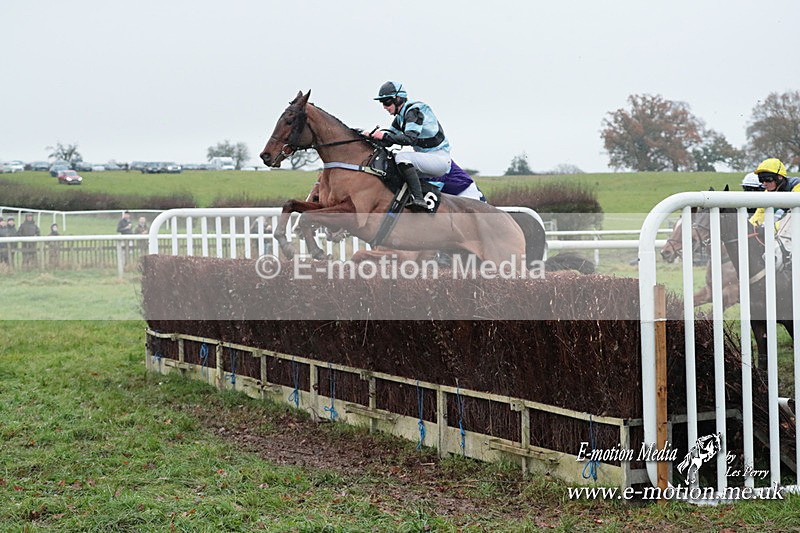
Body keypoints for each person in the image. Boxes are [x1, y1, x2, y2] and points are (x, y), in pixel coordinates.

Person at [364, 81, 451, 211]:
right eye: (382, 103)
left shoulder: (413, 111)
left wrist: (382, 136)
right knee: (394, 166)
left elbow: (409, 139)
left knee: (402, 157)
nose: (384, 107)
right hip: (428, 159)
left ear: (398, 99)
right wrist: (368, 137)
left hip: (439, 159)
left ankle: (419, 199)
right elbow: (388, 141)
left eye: (387, 102)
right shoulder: (400, 118)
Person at [749, 158, 800, 228]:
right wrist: (750, 228)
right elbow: (759, 215)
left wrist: (768, 229)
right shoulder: (767, 192)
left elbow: (790, 218)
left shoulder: (797, 186)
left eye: (768, 179)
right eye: (761, 180)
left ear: (780, 177)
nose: (764, 183)